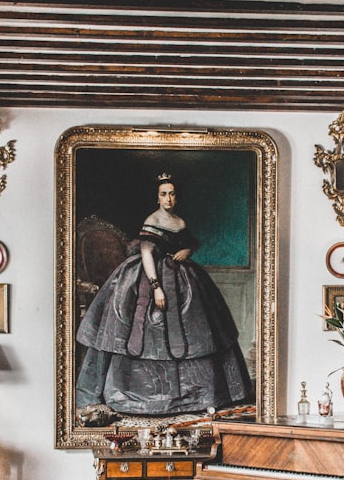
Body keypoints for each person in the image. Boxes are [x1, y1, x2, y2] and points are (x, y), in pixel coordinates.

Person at [75, 173, 253, 415]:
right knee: (146, 334)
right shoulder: (153, 219)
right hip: (149, 279)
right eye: (163, 194)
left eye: (171, 194)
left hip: (181, 279)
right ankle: (144, 396)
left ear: (176, 197)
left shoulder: (179, 221)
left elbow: (185, 242)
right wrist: (156, 287)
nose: (168, 198)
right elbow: (147, 254)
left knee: (195, 333)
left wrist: (186, 252)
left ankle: (191, 396)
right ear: (157, 197)